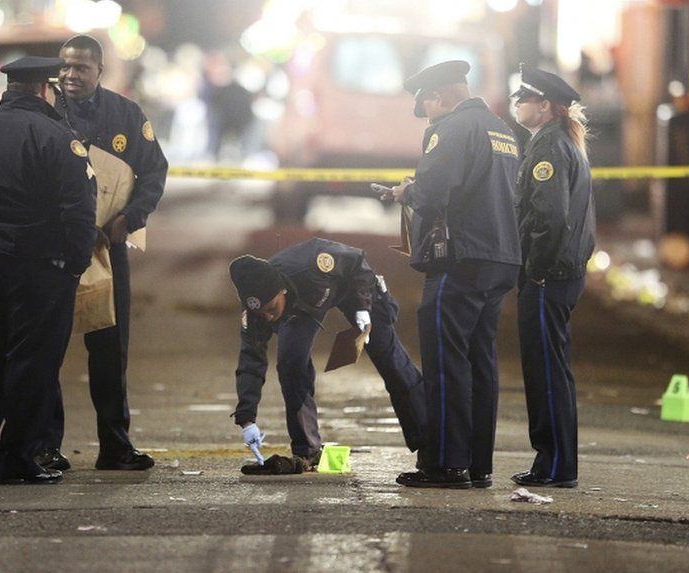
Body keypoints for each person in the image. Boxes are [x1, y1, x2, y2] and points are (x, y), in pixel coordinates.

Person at [0, 57, 97, 484]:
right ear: (47, 89)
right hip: (44, 269)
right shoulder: (58, 138)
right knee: (33, 364)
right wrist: (75, 263)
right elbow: (79, 211)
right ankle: (21, 456)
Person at [384, 60, 522, 489]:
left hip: (459, 259)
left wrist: (408, 191)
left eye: (425, 106)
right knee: (481, 361)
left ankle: (444, 463)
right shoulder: (502, 129)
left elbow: (435, 190)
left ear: (439, 96)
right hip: (499, 257)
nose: (426, 115)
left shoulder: (451, 129)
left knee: (446, 362)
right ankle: (478, 464)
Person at [38, 34, 168, 472]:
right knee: (47, 347)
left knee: (110, 351)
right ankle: (45, 446)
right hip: (55, 250)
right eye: (66, 67)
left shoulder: (125, 114)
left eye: (81, 68)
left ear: (100, 71)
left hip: (107, 250)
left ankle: (115, 446)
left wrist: (131, 217)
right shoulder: (45, 109)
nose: (71, 76)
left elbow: (154, 170)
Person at [228, 238, 426, 466]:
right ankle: (307, 449)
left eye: (272, 308)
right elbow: (250, 362)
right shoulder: (256, 314)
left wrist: (363, 307)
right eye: (262, 313)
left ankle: (430, 438)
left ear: (281, 289)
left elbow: (357, 261)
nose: (269, 317)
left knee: (388, 356)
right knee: (291, 363)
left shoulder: (312, 264)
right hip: (303, 309)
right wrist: (246, 418)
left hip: (355, 286)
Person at [509, 64, 595, 488]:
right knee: (549, 369)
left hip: (549, 275)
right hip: (560, 272)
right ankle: (553, 461)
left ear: (544, 106)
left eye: (522, 98)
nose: (516, 104)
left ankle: (556, 464)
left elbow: (549, 216)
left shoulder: (549, 147)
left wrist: (536, 270)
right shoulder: (556, 142)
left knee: (546, 372)